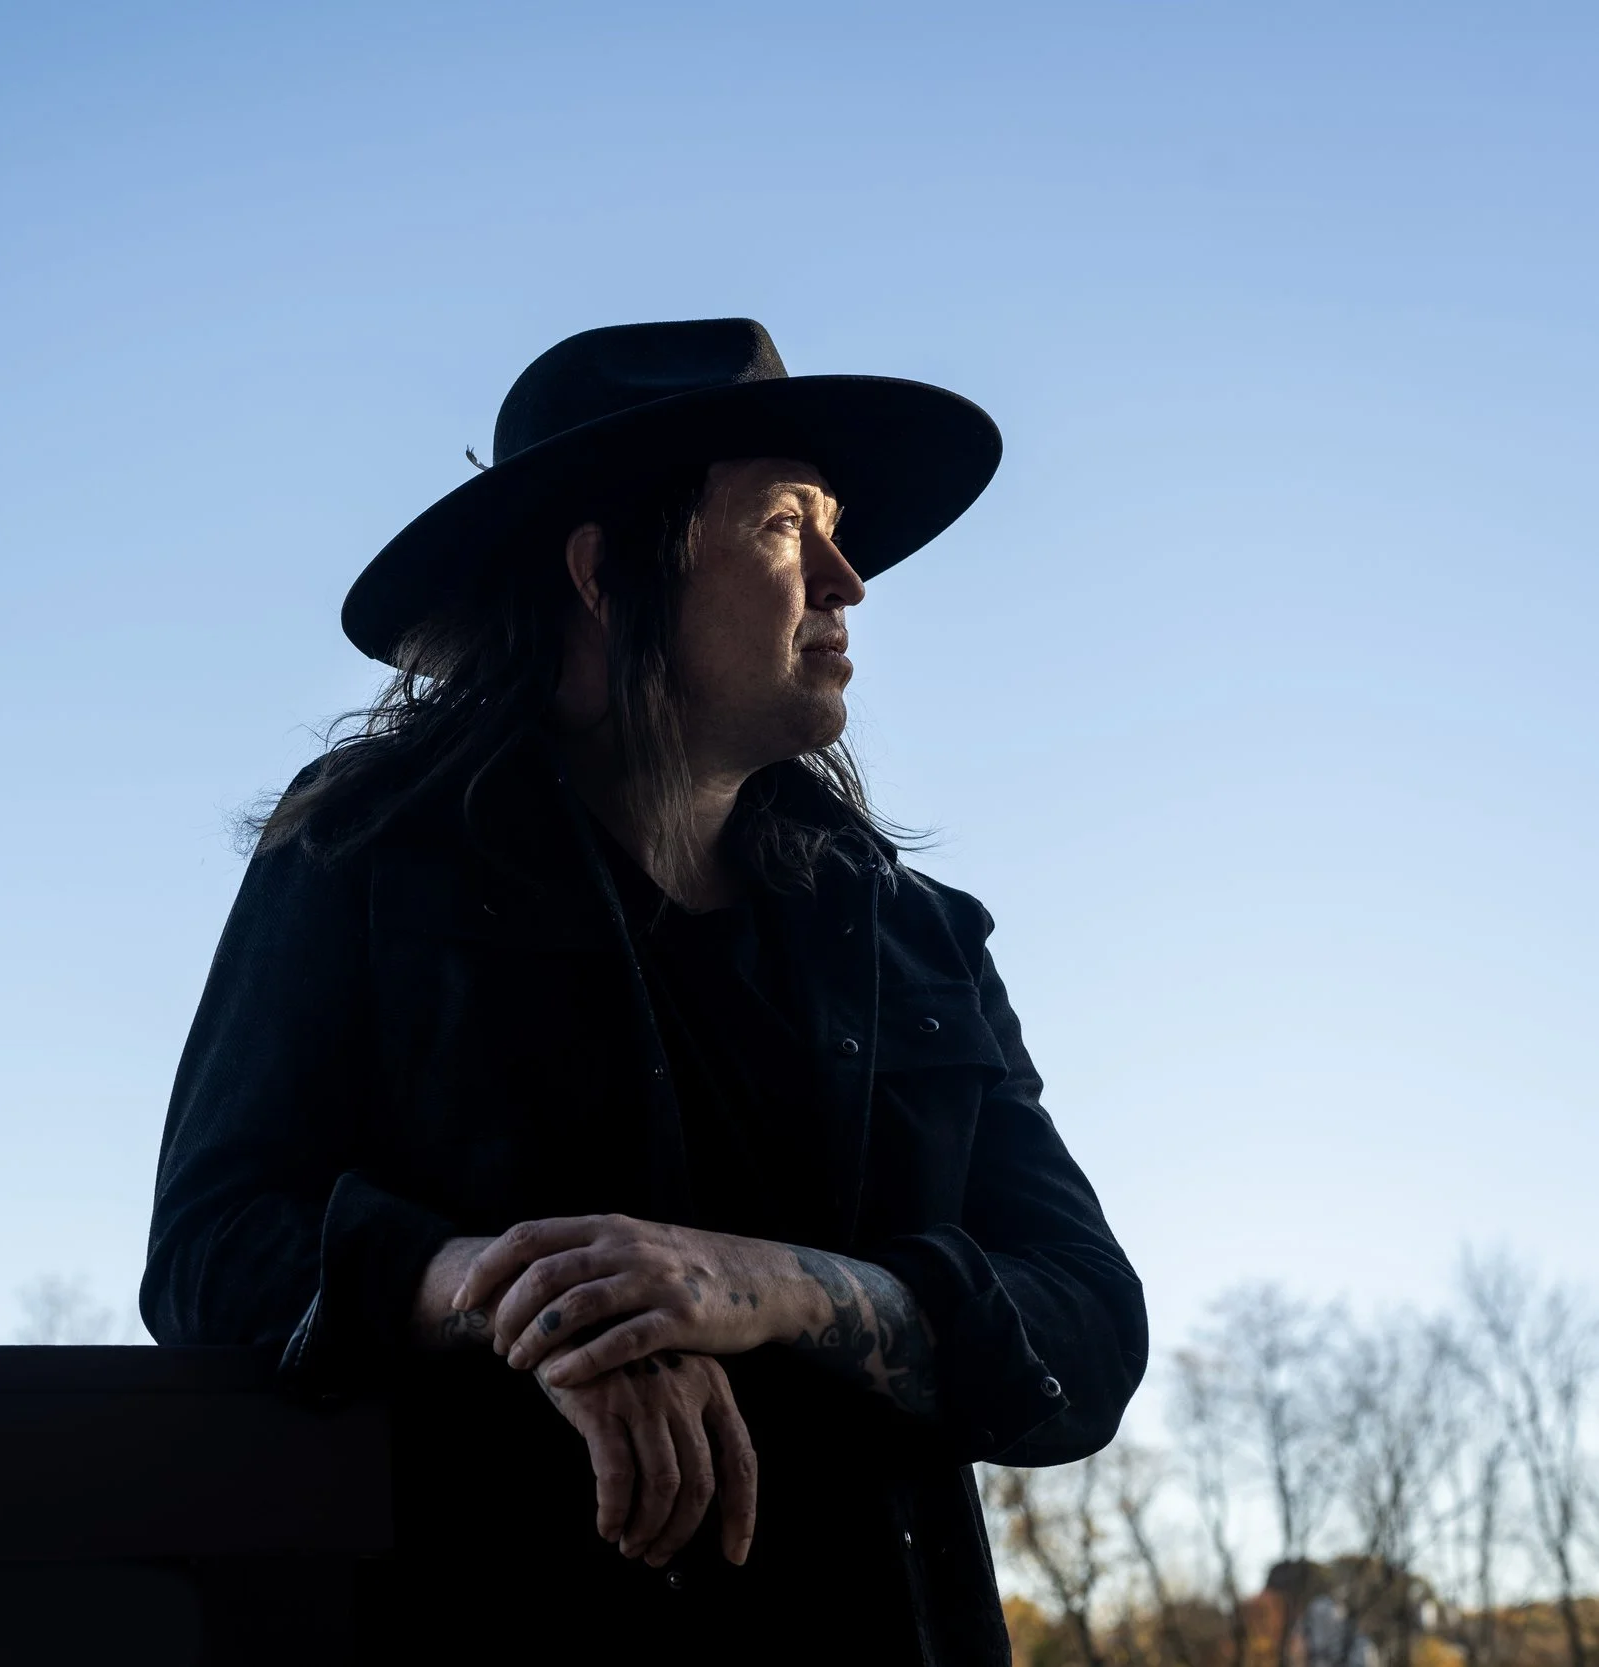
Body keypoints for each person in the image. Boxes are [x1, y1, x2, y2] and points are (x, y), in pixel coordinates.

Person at [141, 318, 1147, 1664]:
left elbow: (1086, 1327)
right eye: (791, 525)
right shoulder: (361, 864)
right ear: (606, 569)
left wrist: (764, 1284)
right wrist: (536, 1301)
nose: (849, 579)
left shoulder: (915, 940)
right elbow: (213, 1246)